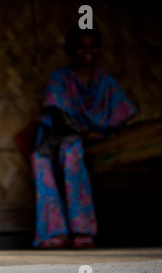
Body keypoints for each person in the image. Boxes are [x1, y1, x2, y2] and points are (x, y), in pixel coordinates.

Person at [31, 26, 137, 249]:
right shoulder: (59, 78)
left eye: (92, 46)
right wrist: (83, 133)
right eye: (81, 47)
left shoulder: (105, 81)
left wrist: (102, 135)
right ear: (72, 50)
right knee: (41, 159)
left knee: (72, 155)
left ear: (98, 50)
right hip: (60, 136)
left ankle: (83, 230)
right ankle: (54, 232)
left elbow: (121, 113)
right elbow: (58, 114)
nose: (87, 51)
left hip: (93, 141)